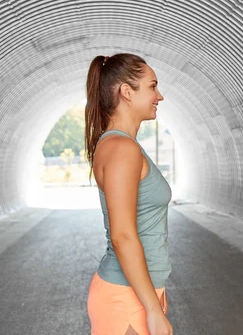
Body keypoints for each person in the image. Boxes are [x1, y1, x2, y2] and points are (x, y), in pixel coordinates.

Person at [84, 53, 173, 335]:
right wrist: (151, 308)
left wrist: (154, 295)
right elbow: (123, 236)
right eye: (152, 86)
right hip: (124, 298)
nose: (159, 95)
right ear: (126, 92)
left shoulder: (123, 145)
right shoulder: (122, 149)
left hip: (135, 291)